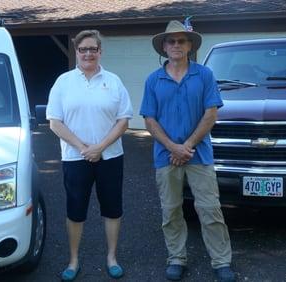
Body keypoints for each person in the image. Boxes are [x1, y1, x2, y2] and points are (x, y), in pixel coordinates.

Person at [139, 20, 236, 282]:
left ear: (190, 45)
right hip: (165, 156)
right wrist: (173, 147)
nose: (176, 45)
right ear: (164, 47)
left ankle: (221, 261)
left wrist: (187, 146)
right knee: (171, 210)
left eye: (181, 41)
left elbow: (211, 113)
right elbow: (149, 119)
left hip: (198, 154)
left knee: (209, 209)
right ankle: (176, 258)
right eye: (171, 41)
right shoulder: (153, 79)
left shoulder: (204, 75)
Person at [46, 29, 133, 281]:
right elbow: (55, 122)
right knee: (75, 210)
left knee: (112, 209)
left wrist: (100, 147)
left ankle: (112, 257)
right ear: (77, 51)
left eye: (92, 49)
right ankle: (73, 260)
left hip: (111, 157)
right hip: (75, 158)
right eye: (83, 49)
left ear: (100, 51)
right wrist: (85, 147)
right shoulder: (63, 82)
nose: (88, 53)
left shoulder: (114, 81)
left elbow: (123, 120)